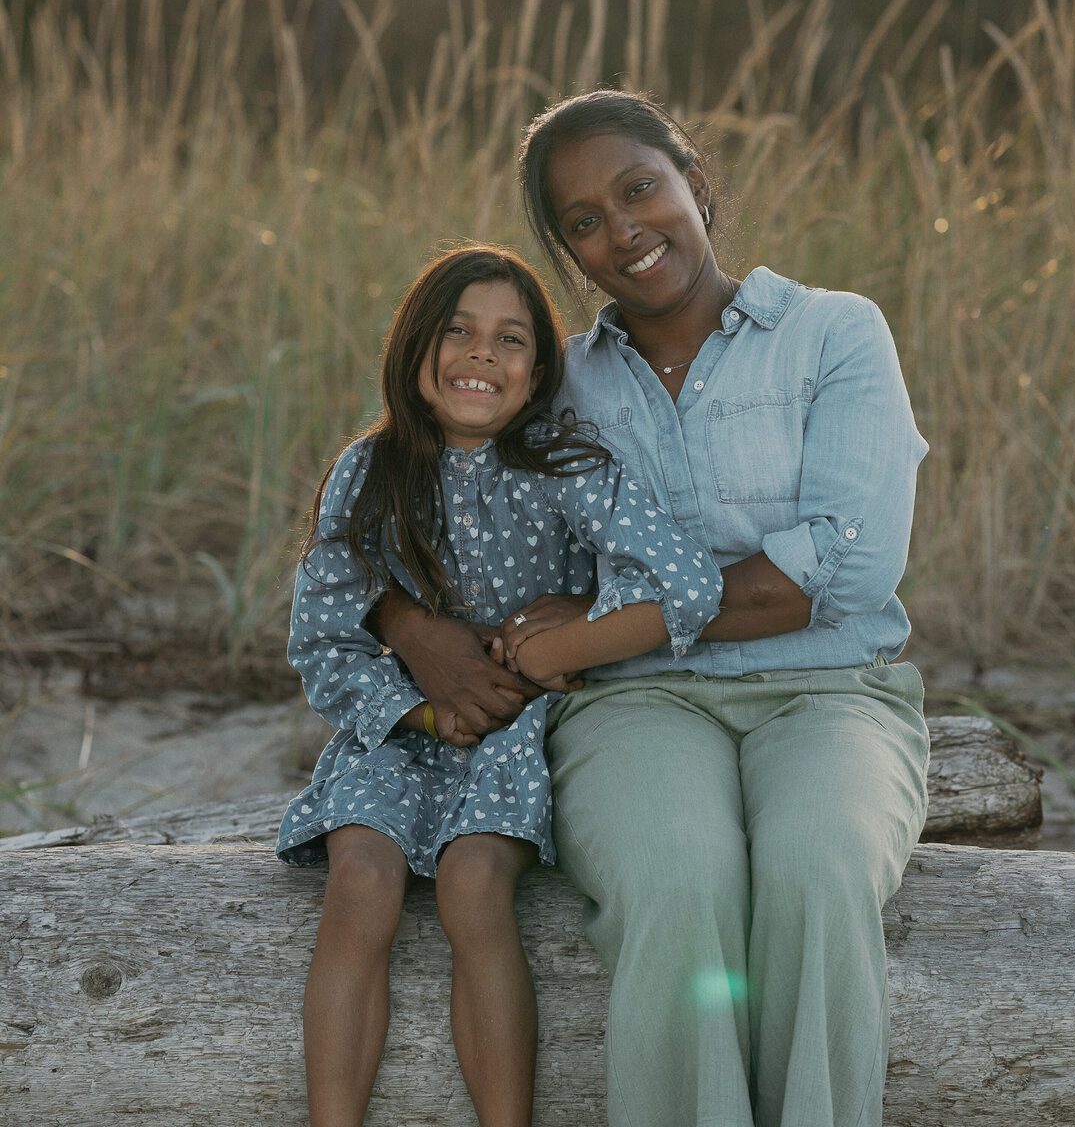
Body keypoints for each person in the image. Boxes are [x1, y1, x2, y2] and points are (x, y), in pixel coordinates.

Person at [375, 95, 931, 1127]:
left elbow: (838, 572)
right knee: (679, 881)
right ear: (567, 251)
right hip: (634, 704)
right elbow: (414, 487)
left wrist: (590, 624)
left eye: (640, 188)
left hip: (832, 691)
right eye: (583, 221)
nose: (622, 230)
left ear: (695, 184)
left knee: (817, 872)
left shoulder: (833, 332)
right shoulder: (560, 383)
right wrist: (409, 626)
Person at [278, 243, 722, 1127]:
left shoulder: (568, 468)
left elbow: (688, 582)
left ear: (540, 372)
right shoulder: (369, 474)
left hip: (521, 728)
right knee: (360, 873)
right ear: (413, 348)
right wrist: (419, 707)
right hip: (400, 724)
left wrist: (573, 636)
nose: (482, 354)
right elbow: (322, 636)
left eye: (511, 339)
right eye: (458, 331)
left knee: (473, 881)